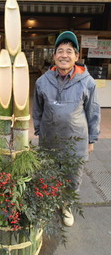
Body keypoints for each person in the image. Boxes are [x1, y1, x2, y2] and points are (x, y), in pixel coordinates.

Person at [33, 31, 101, 227]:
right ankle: (48, 203)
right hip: (50, 140)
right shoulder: (42, 81)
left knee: (72, 177)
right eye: (60, 51)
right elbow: (38, 109)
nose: (64, 55)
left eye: (69, 51)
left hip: (76, 141)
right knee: (49, 174)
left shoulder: (87, 82)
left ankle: (66, 205)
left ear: (77, 56)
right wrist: (39, 131)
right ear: (54, 56)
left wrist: (91, 139)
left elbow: (93, 111)